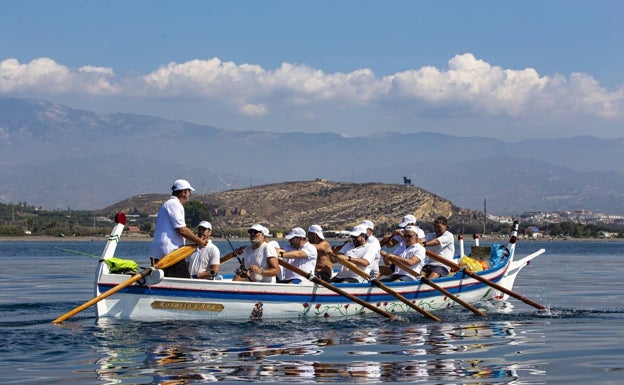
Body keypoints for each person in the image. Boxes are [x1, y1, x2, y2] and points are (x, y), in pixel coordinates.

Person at [149, 179, 208, 278]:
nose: (189, 195)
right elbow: (181, 230)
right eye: (189, 192)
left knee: (164, 283)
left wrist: (197, 241)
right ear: (184, 192)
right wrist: (199, 241)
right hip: (170, 253)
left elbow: (179, 233)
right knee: (185, 282)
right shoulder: (175, 204)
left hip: (158, 251)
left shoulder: (168, 204)